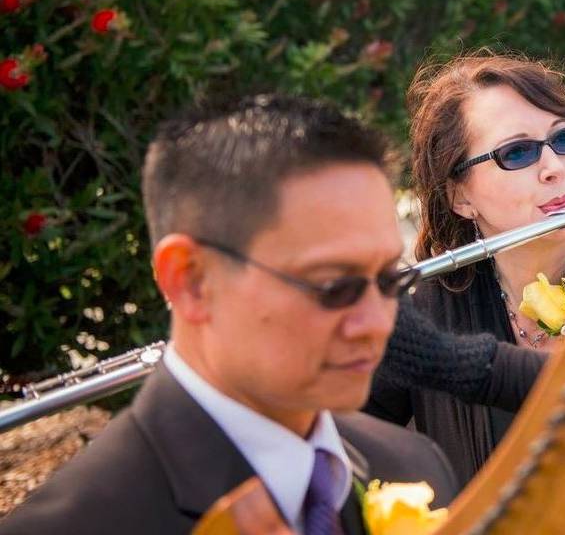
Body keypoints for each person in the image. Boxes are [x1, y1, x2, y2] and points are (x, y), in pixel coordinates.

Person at [0, 94, 458, 535]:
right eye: (334, 287)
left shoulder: (412, 466)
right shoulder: (79, 524)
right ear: (191, 280)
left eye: (387, 279)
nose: (378, 323)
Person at [366, 54, 565, 487]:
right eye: (517, 153)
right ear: (461, 196)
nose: (555, 168)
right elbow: (339, 439)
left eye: (564, 139)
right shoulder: (428, 319)